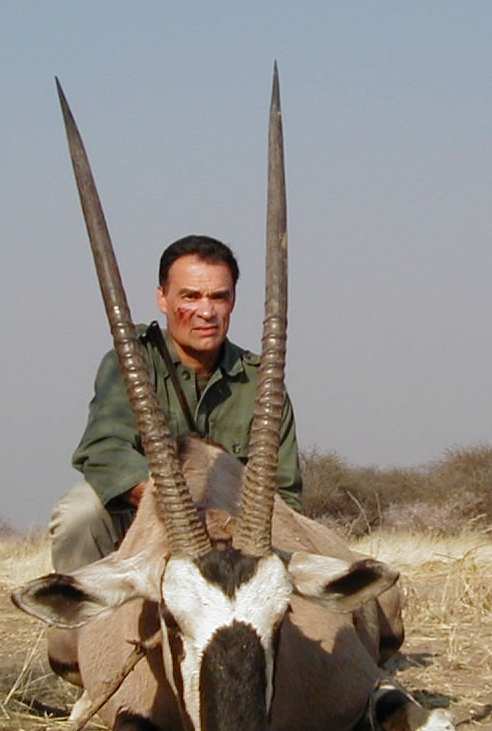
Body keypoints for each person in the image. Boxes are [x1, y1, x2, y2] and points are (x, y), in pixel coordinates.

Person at [48, 235, 303, 571]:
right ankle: (83, 623)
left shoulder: (261, 381)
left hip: (234, 537)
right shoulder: (131, 362)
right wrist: (173, 504)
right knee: (78, 514)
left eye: (219, 297)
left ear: (233, 300)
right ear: (163, 298)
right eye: (191, 297)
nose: (207, 311)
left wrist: (226, 521)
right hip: (144, 522)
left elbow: (284, 495)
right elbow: (103, 450)